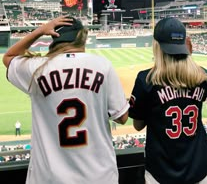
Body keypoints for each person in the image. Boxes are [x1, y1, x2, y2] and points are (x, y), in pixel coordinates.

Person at [2, 16, 129, 184]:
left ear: (54, 38)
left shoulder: (37, 68)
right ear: (83, 37)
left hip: (48, 178)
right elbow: (122, 117)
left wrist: (40, 30)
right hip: (99, 176)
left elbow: (8, 57)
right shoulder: (102, 65)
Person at [129, 17, 207, 184]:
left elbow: (138, 125)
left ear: (157, 46)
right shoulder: (203, 76)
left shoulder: (146, 80)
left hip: (162, 173)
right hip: (199, 169)